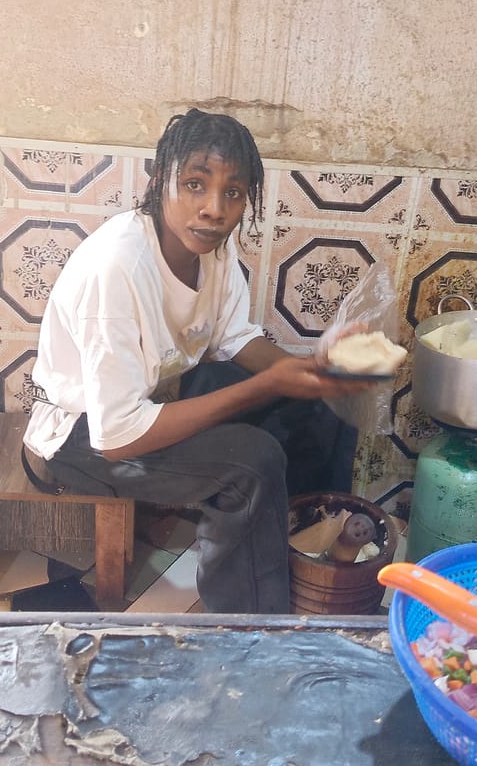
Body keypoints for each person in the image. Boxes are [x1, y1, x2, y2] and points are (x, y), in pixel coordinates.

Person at [23, 108, 374, 614]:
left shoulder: (212, 250)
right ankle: (247, 618)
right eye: (194, 184)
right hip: (82, 436)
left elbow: (234, 336)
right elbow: (119, 436)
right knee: (251, 461)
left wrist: (310, 370)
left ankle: (308, 552)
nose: (214, 209)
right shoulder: (117, 268)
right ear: (159, 180)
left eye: (233, 192)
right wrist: (264, 385)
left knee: (317, 410)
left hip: (156, 395)